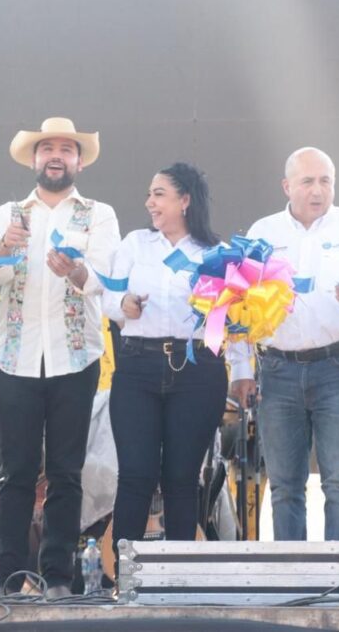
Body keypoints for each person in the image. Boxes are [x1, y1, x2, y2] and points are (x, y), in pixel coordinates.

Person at [0, 117, 120, 599]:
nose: (56, 156)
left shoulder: (99, 214)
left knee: (65, 472)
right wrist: (5, 246)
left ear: (79, 161)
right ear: (34, 160)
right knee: (16, 471)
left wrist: (76, 272)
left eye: (66, 149)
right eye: (47, 149)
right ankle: (5, 575)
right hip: (16, 357)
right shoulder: (10, 213)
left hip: (74, 358)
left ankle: (58, 577)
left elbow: (104, 279)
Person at [229, 147, 339, 541]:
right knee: (284, 485)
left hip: (338, 367)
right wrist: (241, 369)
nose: (318, 190)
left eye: (325, 181)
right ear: (287, 186)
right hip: (277, 369)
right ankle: (291, 572)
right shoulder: (263, 232)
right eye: (307, 181)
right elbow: (237, 303)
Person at [103, 163, 227, 548]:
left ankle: (178, 575)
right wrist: (123, 304)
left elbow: (229, 320)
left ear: (185, 200)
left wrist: (241, 371)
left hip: (197, 370)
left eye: (159, 194)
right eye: (149, 194)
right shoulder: (135, 244)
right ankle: (125, 573)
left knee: (182, 478)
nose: (149, 203)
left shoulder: (215, 254)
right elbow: (108, 297)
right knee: (135, 475)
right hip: (138, 367)